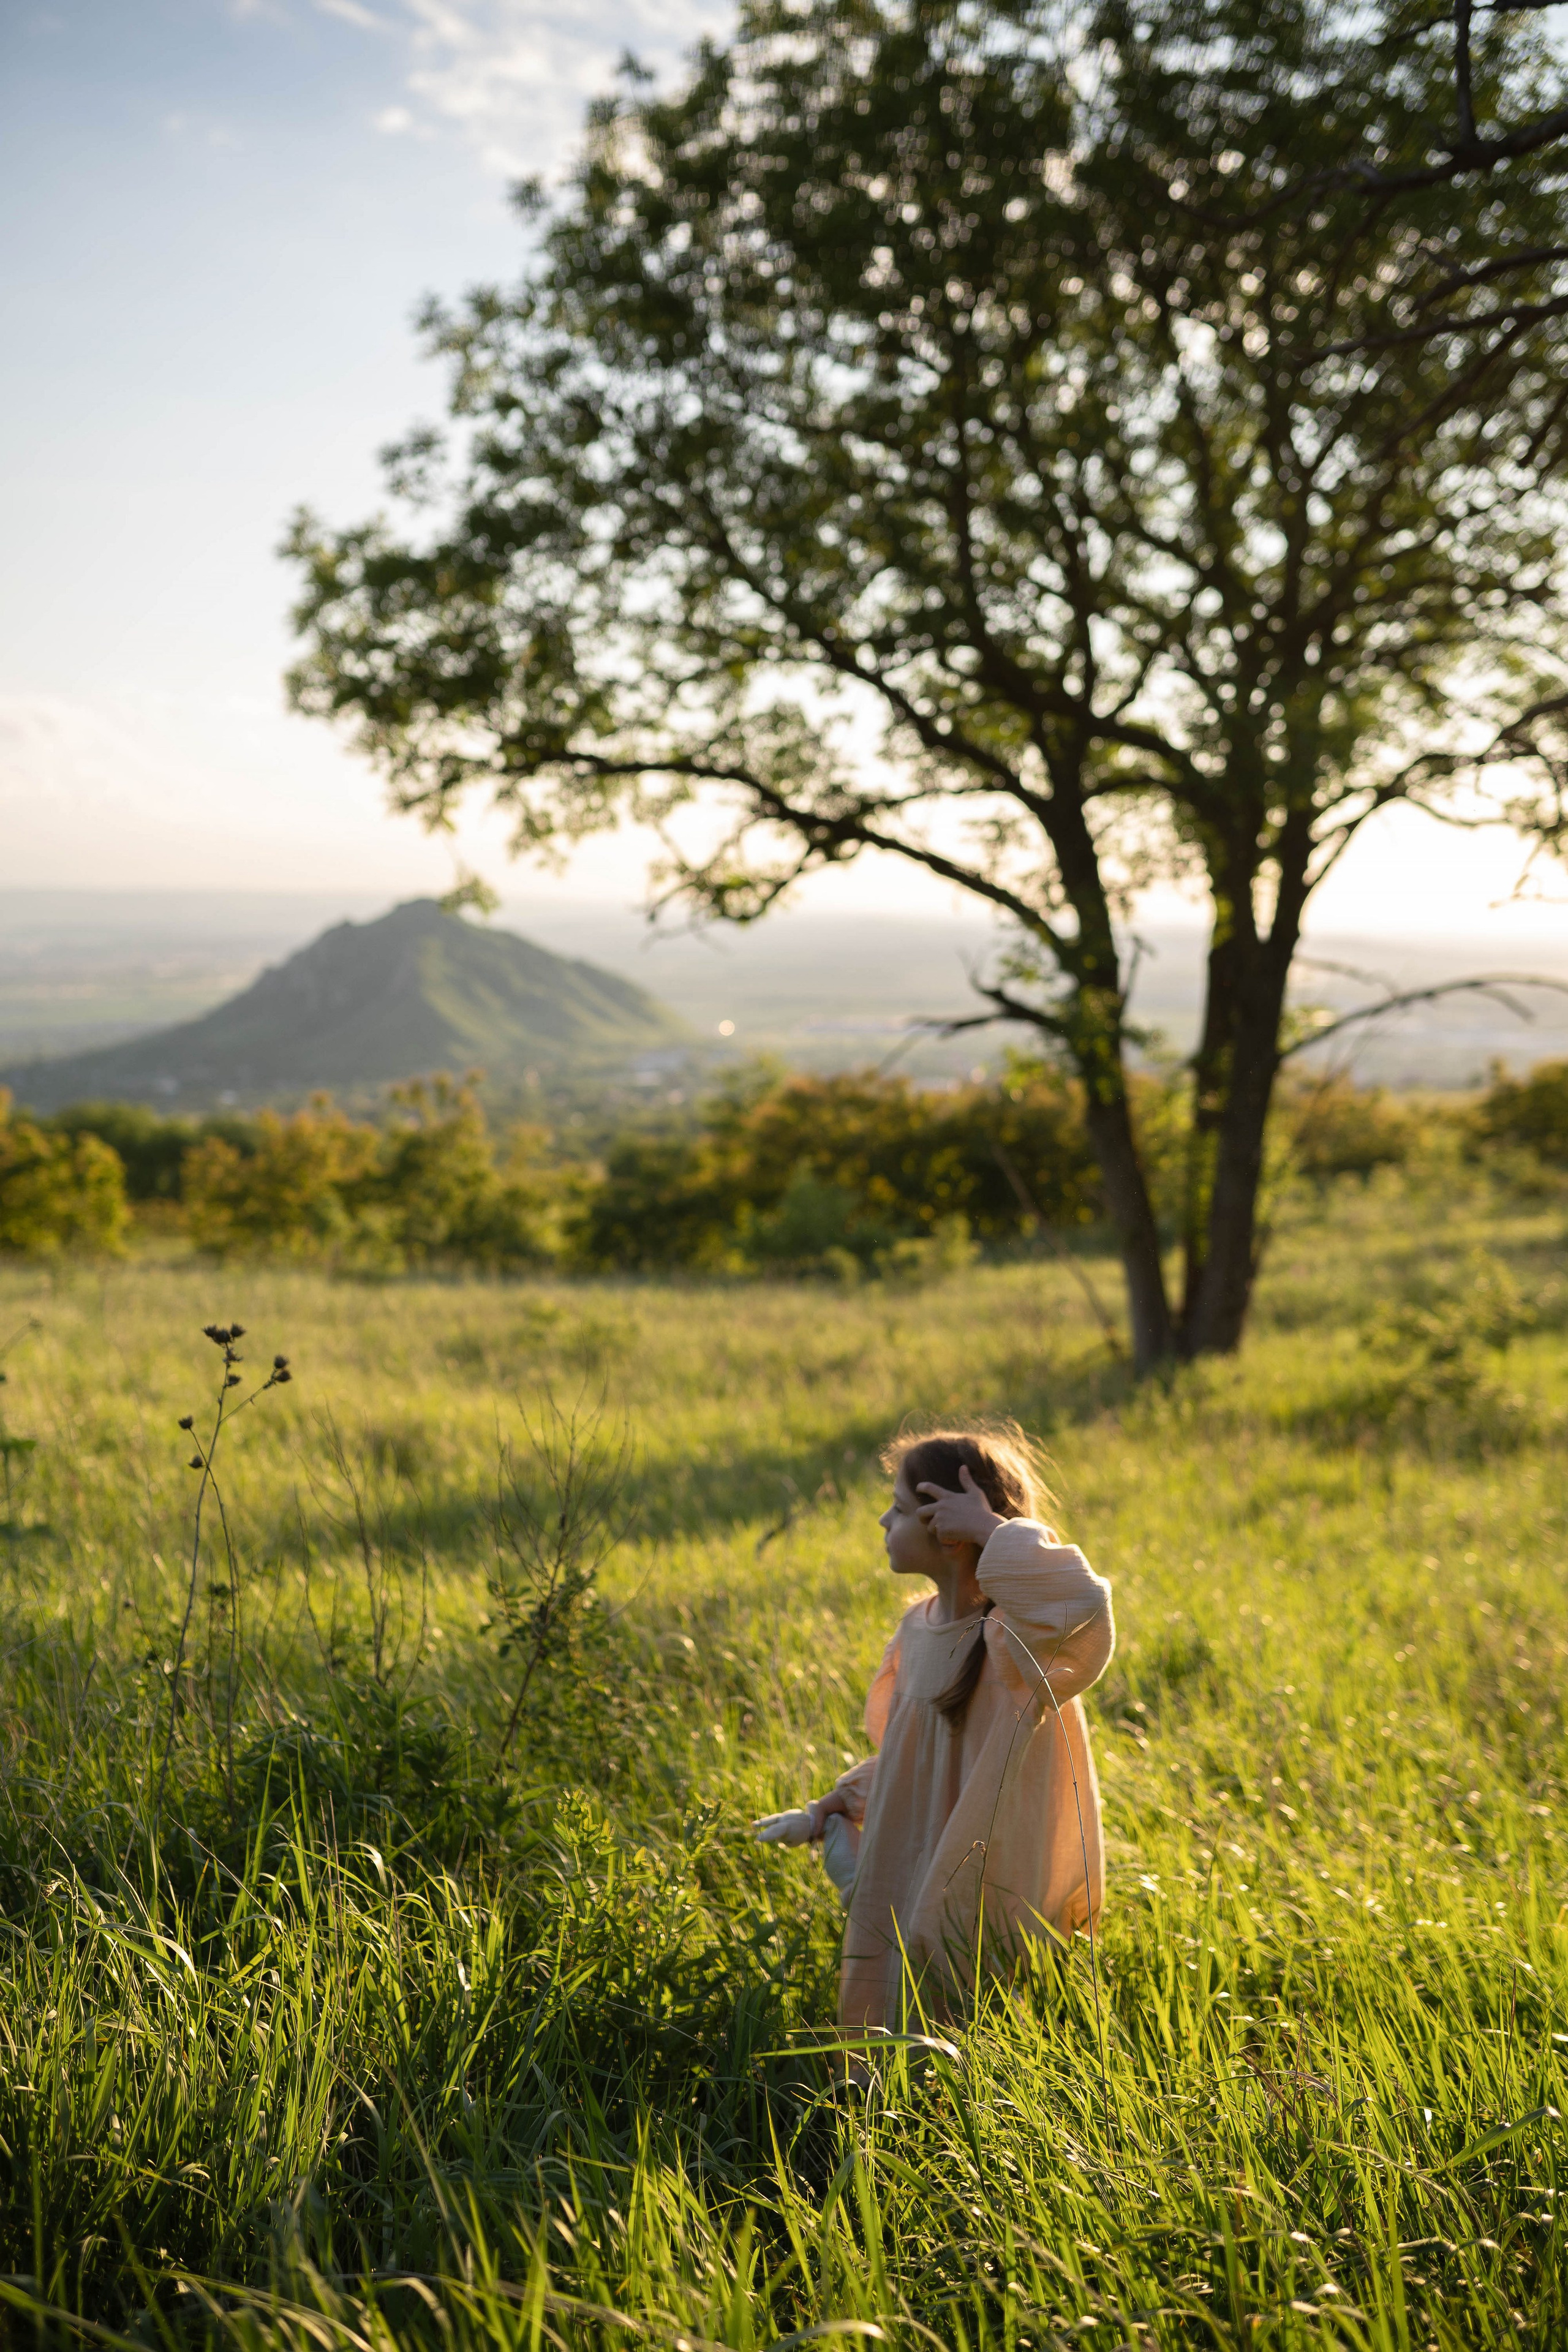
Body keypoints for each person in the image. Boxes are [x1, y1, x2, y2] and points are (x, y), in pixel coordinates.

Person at [756, 1423, 1114, 2034]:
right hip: (916, 1853)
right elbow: (915, 1761)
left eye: (897, 1509)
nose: (881, 1523)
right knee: (889, 1968)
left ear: (948, 1533)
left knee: (958, 1990)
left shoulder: (1016, 1642)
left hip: (983, 1865)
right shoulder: (917, 1632)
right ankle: (877, 2100)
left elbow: (1083, 1603)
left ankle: (956, 2107)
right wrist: (835, 1804)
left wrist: (992, 1532)